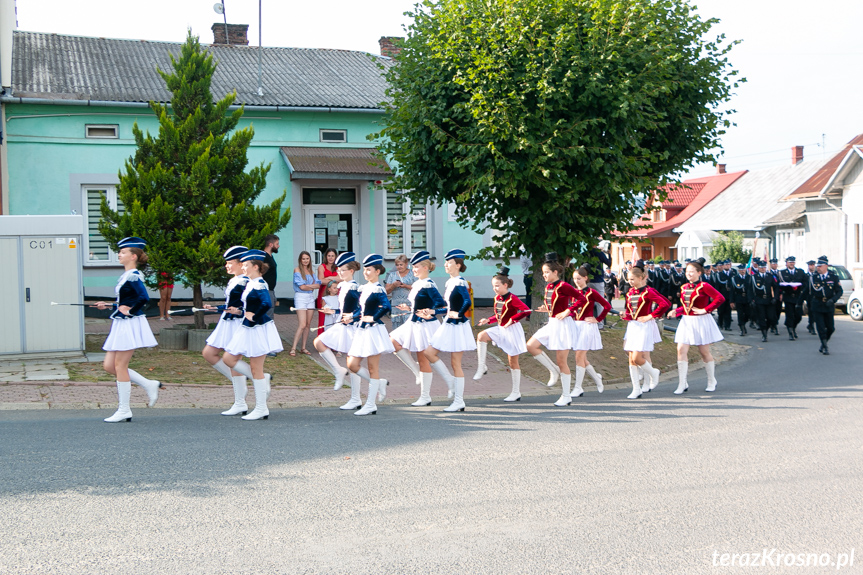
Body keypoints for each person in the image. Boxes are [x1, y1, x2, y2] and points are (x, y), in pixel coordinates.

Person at [94, 237, 161, 423]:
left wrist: (130, 311)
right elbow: (128, 299)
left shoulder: (133, 275)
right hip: (121, 323)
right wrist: (109, 305)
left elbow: (143, 297)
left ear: (133, 256)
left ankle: (124, 409)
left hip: (128, 324)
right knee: (109, 366)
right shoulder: (127, 275)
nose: (119, 255)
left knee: (119, 366)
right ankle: (149, 384)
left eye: (123, 252)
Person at [222, 250, 283, 421]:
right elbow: (253, 305)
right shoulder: (251, 283)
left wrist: (254, 316)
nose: (242, 267)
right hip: (248, 327)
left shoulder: (259, 284)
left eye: (245, 264)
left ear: (256, 267)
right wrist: (240, 311)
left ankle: (261, 408)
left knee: (256, 368)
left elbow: (266, 303)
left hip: (258, 329)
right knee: (229, 358)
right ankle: (262, 388)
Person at [525, 252, 587, 407]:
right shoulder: (549, 287)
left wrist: (568, 311)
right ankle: (553, 370)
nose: (544, 275)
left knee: (562, 361)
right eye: (543, 272)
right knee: (530, 346)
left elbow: (582, 299)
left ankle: (566, 396)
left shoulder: (564, 286)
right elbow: (554, 305)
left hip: (563, 325)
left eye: (547, 272)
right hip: (552, 322)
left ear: (555, 272)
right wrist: (546, 309)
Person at [202, 245, 256, 416]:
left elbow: (242, 306)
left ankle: (246, 393)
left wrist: (227, 309)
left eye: (230, 262)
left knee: (232, 360)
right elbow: (230, 304)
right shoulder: (235, 280)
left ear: (241, 264)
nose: (227, 266)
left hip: (236, 323)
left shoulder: (244, 282)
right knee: (209, 353)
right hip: (226, 323)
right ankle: (245, 387)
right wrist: (215, 308)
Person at [389, 250, 446, 407]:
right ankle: (416, 373)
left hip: (425, 325)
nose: (414, 269)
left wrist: (431, 311)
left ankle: (425, 396)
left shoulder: (428, 284)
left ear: (426, 268)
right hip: (413, 321)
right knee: (392, 341)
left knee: (423, 360)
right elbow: (419, 305)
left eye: (417, 266)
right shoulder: (417, 284)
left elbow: (442, 305)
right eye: (413, 267)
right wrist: (408, 308)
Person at [426, 249, 477, 412]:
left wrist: (459, 314)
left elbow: (467, 302)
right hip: (448, 324)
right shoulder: (450, 282)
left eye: (449, 263)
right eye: (446, 262)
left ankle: (459, 400)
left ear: (458, 265)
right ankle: (451, 383)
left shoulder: (460, 282)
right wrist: (432, 311)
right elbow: (447, 308)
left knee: (455, 363)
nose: (445, 265)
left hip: (456, 326)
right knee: (429, 352)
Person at [473, 266, 531, 402]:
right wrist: (488, 320)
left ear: (505, 285)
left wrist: (513, 319)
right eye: (493, 286)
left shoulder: (513, 298)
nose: (495, 288)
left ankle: (516, 392)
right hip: (501, 328)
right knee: (481, 336)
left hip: (512, 330)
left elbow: (526, 311)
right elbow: (498, 315)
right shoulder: (497, 298)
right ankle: (482, 366)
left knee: (512, 361)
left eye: (497, 286)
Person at [346, 254, 394, 416]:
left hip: (373, 330)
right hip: (362, 329)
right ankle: (379, 383)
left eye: (369, 270)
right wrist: (352, 316)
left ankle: (371, 404)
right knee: (352, 364)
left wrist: (373, 317)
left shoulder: (378, 288)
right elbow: (361, 309)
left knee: (373, 367)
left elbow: (386, 306)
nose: (366, 272)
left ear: (377, 271)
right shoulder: (365, 288)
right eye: (365, 270)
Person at [667, 258, 725, 394]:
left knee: (704, 352)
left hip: (701, 321)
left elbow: (720, 298)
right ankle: (682, 383)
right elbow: (686, 307)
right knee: (681, 349)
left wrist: (706, 309)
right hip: (686, 321)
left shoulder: (704, 286)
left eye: (692, 272)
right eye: (687, 272)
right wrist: (676, 311)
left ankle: (711, 380)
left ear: (699, 273)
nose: (689, 274)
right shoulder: (684, 287)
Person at [314, 252, 364, 408]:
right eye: (339, 270)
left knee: (352, 363)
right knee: (319, 342)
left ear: (351, 271)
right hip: (342, 324)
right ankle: (338, 370)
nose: (339, 273)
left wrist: (353, 316)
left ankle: (356, 398)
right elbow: (344, 309)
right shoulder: (343, 286)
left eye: (343, 270)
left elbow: (361, 309)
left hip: (353, 327)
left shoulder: (355, 287)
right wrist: (333, 312)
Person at [620, 260, 670, 399]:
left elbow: (665, 304)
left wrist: (651, 316)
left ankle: (654, 373)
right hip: (633, 325)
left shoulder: (648, 292)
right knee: (631, 358)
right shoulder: (630, 293)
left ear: (641, 278)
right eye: (628, 279)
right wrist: (625, 315)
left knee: (637, 357)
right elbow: (631, 312)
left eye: (632, 279)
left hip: (644, 327)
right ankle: (636, 388)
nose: (630, 282)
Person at [570, 264, 612, 398]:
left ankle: (578, 387)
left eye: (579, 278)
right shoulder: (572, 293)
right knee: (583, 359)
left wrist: (598, 319)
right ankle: (597, 378)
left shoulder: (591, 292)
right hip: (575, 326)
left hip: (587, 326)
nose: (577, 281)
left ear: (586, 278)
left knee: (579, 357)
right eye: (575, 279)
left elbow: (607, 306)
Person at [809, 255, 843, 355]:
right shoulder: (813, 278)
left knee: (831, 328)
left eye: (820, 266)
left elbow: (839, 291)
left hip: (829, 305)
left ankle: (824, 343)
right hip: (817, 305)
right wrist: (799, 303)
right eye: (817, 266)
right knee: (820, 327)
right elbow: (807, 291)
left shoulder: (833, 277)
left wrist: (833, 300)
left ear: (826, 266)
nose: (817, 268)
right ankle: (825, 346)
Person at [290, 250, 320, 356]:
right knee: (302, 324)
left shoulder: (312, 271)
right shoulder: (297, 270)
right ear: (300, 260)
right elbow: (301, 287)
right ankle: (293, 348)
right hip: (300, 297)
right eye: (303, 259)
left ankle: (303, 347)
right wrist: (311, 286)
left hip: (310, 297)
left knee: (308, 324)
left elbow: (318, 285)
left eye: (307, 258)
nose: (305, 260)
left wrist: (309, 286)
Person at [384, 254, 417, 330]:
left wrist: (406, 286)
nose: (399, 267)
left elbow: (419, 289)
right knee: (397, 330)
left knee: (409, 329)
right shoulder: (392, 275)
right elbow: (386, 291)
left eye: (401, 264)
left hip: (409, 305)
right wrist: (393, 285)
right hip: (396, 306)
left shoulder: (413, 273)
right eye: (397, 265)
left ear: (406, 264)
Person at [748, 260, 778, 342]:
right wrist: (751, 300)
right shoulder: (754, 277)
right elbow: (750, 289)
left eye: (764, 267)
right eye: (761, 268)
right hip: (759, 300)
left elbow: (776, 287)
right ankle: (764, 334)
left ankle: (766, 328)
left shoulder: (770, 276)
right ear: (758, 268)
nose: (762, 269)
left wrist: (775, 297)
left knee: (771, 317)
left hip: (769, 300)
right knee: (761, 317)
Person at [778, 256, 807, 340]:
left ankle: (793, 327)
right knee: (790, 315)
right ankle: (790, 332)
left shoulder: (800, 272)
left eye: (793, 262)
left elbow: (805, 282)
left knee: (798, 316)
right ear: (786, 263)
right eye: (790, 262)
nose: (791, 263)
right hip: (788, 296)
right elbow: (780, 284)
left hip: (798, 296)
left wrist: (800, 287)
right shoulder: (782, 272)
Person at [316, 248, 339, 330]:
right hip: (324, 293)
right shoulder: (321, 267)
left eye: (333, 256)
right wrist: (335, 280)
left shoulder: (338, 267)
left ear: (336, 257)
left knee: (335, 315)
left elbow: (342, 278)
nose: (331, 258)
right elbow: (321, 280)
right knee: (323, 316)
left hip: (336, 293)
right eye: (329, 256)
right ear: (326, 256)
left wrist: (329, 278)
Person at [729, 264, 751, 336]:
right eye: (741, 270)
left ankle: (743, 323)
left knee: (748, 314)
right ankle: (742, 328)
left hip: (747, 299)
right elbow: (732, 291)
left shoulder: (749, 277)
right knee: (740, 314)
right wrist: (731, 301)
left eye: (744, 269)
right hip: (739, 299)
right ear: (738, 271)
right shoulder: (735, 279)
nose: (743, 271)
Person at [262, 234, 279, 319]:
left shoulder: (270, 257)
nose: (278, 246)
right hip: (266, 290)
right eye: (277, 244)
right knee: (268, 316)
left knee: (270, 314)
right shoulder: (264, 257)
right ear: (271, 244)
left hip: (270, 290)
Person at [804, 259, 817, 335]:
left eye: (813, 265)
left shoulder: (816, 275)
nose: (811, 267)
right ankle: (811, 325)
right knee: (811, 311)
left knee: (814, 312)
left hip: (816, 296)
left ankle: (811, 324)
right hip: (809, 296)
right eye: (810, 265)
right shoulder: (806, 276)